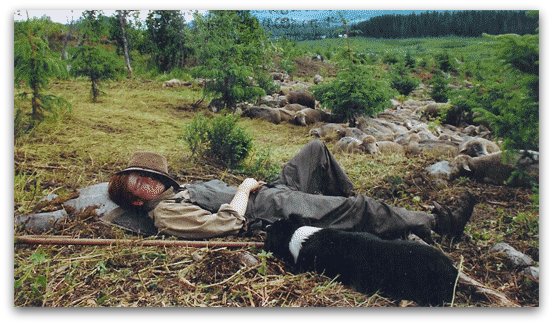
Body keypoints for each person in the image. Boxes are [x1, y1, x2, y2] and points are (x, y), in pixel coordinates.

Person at [104, 140, 475, 242]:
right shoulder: (166, 212)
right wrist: (246, 190)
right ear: (137, 199)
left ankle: (342, 207)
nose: (151, 181)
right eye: (141, 183)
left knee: (316, 151)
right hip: (268, 211)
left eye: (149, 174)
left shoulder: (175, 191)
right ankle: (438, 225)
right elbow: (227, 224)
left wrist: (252, 187)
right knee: (360, 208)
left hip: (271, 192)